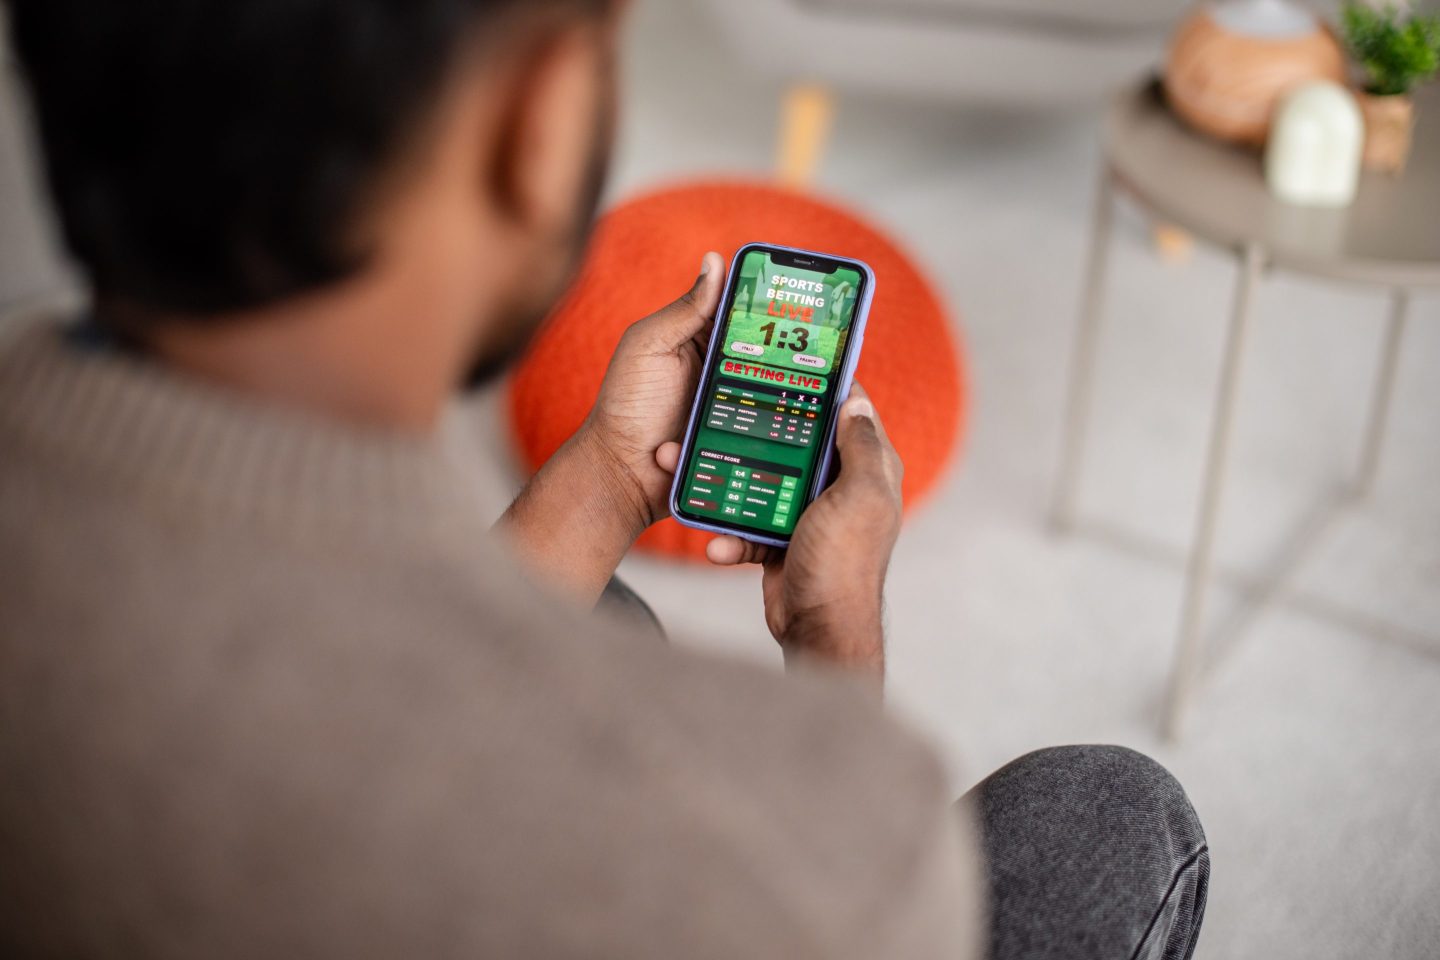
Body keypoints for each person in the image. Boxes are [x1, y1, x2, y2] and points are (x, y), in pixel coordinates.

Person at [0, 1, 1208, 957]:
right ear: (541, 120)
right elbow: (835, 879)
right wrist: (837, 653)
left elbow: (373, 667)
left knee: (604, 613)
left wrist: (608, 481)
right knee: (1108, 818)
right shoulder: (764, 847)